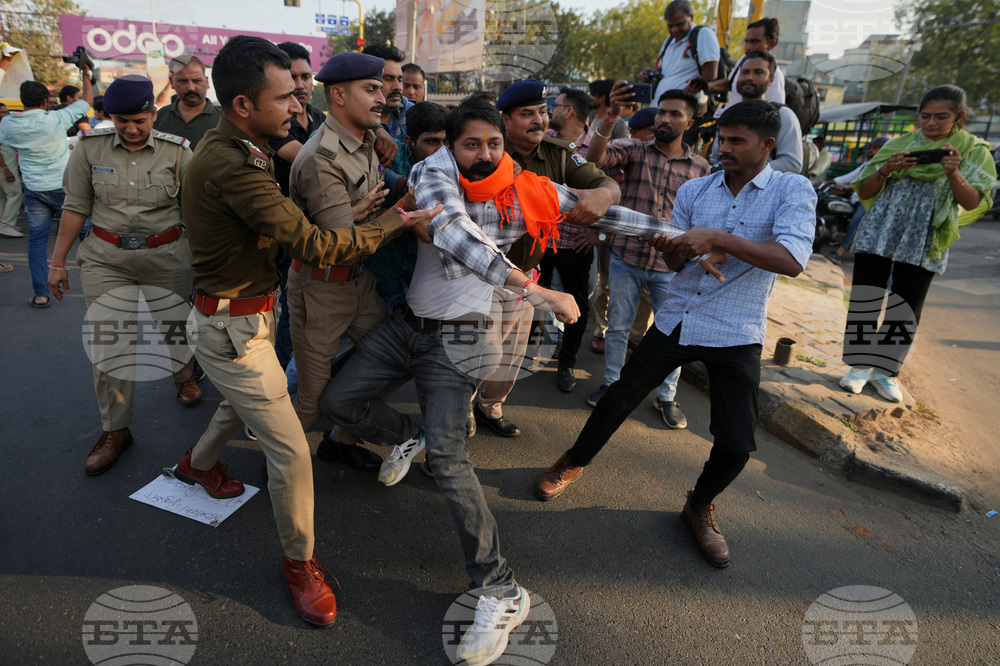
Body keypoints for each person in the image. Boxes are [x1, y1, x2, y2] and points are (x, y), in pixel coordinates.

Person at [319, 96, 678, 663]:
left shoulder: (526, 188)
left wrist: (677, 235)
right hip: (405, 325)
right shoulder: (433, 174)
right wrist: (538, 291)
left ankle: (499, 588)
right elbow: (458, 236)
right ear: (450, 146)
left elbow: (600, 211)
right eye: (470, 143)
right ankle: (402, 434)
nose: (483, 154)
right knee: (336, 402)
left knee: (449, 456)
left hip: (459, 338)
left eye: (493, 143)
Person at [173, 35, 428, 628]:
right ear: (242, 104)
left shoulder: (242, 145)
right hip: (231, 327)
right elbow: (317, 242)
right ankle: (300, 565)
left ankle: (197, 465)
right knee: (290, 449)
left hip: (248, 316)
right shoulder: (234, 165)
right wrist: (397, 217)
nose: (298, 106)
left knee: (245, 405)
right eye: (287, 96)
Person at [535, 100, 816, 570]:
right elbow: (675, 265)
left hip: (737, 327)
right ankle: (572, 461)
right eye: (721, 139)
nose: (724, 148)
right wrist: (673, 246)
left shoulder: (791, 189)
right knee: (617, 397)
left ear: (767, 145)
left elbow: (792, 259)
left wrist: (718, 239)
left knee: (737, 442)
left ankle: (700, 505)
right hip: (678, 316)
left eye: (736, 141)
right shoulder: (695, 190)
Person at [287, 52, 440, 470]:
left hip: (360, 283)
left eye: (382, 87)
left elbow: (377, 188)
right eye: (371, 89)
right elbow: (341, 245)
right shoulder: (322, 159)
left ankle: (342, 440)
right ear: (337, 95)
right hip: (321, 290)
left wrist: (396, 187)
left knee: (393, 359)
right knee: (312, 399)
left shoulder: (368, 137)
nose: (385, 95)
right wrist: (401, 214)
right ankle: (278, 464)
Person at [45, 75, 202, 474]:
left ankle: (183, 376)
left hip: (166, 254)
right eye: (120, 121)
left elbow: (198, 212)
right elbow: (75, 206)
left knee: (175, 326)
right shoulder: (89, 149)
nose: (130, 129)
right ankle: (116, 430)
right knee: (109, 342)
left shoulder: (179, 152)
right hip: (105, 258)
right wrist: (58, 262)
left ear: (154, 113)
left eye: (138, 120)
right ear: (109, 117)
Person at [839, 85, 995, 402]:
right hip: (882, 228)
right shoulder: (899, 145)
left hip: (927, 236)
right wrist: (885, 169)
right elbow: (866, 192)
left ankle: (884, 371)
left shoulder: (974, 152)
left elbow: (972, 201)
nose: (931, 123)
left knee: (907, 305)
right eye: (925, 116)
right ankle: (858, 366)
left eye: (941, 117)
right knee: (865, 296)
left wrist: (954, 173)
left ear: (959, 117)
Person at [585, 85, 711, 429]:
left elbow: (704, 218)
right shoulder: (635, 150)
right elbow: (594, 157)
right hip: (627, 257)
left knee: (672, 334)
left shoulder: (701, 168)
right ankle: (611, 384)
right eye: (661, 112)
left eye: (674, 114)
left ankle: (667, 396)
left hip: (672, 268)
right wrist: (610, 117)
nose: (664, 119)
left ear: (690, 121)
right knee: (619, 327)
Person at [499, 80, 621, 394]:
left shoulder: (561, 155)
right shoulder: (487, 151)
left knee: (567, 306)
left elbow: (609, 186)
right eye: (528, 114)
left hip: (544, 258)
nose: (539, 120)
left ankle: (560, 364)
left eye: (542, 111)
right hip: (490, 267)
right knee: (480, 347)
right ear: (505, 120)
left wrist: (602, 198)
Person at [0, 73, 93, 308]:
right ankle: (103, 286)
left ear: (23, 101)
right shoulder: (55, 119)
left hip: (34, 190)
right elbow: (87, 102)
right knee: (88, 237)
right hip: (65, 189)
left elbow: (9, 144)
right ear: (45, 102)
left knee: (38, 242)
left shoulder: (7, 123)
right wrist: (87, 75)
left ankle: (41, 294)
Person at [711, 51, 802, 173]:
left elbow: (792, 163)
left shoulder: (783, 115)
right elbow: (715, 158)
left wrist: (748, 172)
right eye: (745, 72)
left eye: (758, 72)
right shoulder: (729, 114)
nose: (749, 77)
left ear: (771, 80)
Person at [823, 137, 888, 263]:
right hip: (855, 199)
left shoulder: (883, 166)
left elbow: (868, 182)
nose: (871, 150)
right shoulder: (867, 164)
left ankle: (839, 253)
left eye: (874, 148)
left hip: (866, 201)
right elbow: (851, 176)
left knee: (855, 223)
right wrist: (829, 182)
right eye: (871, 147)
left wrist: (848, 186)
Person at [362, 44, 411, 200]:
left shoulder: (410, 110)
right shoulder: (355, 118)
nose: (397, 87)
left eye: (400, 79)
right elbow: (370, 166)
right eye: (388, 79)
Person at [645, 0, 720, 99]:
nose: (674, 29)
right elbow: (666, 72)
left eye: (679, 24)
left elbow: (711, 74)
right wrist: (650, 75)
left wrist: (685, 92)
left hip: (684, 107)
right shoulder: (668, 41)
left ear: (691, 17)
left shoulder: (703, 33)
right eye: (670, 26)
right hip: (662, 106)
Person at [708, 18, 785, 108]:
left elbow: (776, 110)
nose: (748, 47)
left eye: (754, 41)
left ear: (771, 44)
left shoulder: (776, 76)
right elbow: (730, 82)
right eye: (746, 42)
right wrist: (703, 86)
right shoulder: (744, 59)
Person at [152, 55, 222, 149]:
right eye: (183, 81)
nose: (191, 87)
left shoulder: (224, 119)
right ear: (172, 82)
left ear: (207, 82)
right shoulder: (159, 118)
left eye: (196, 81)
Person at [0, 104, 24, 238]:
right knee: (15, 193)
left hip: (7, 168)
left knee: (4, 196)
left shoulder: (4, 128)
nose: (5, 115)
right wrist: (5, 168)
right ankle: (7, 225)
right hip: (5, 169)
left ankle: (4, 223)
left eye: (6, 112)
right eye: (1, 112)